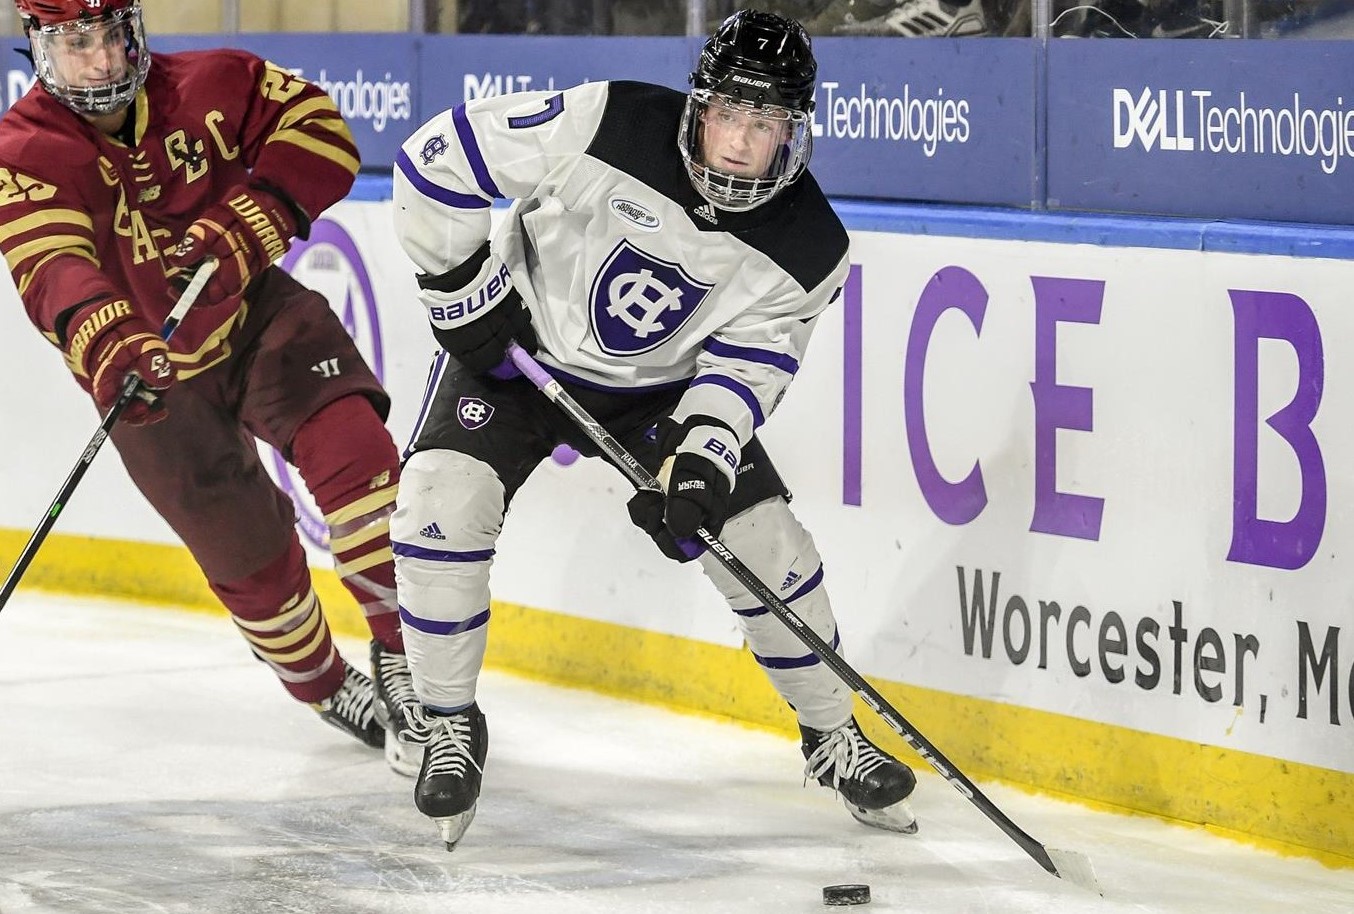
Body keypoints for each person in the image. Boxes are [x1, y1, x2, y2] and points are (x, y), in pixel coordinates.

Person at [390, 8, 918, 850]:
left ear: (795, 131)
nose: (740, 143)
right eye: (727, 114)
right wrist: (459, 289)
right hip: (518, 351)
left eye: (765, 122)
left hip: (659, 397)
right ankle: (448, 722)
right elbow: (439, 156)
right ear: (696, 104)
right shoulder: (610, 119)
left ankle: (832, 735)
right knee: (436, 505)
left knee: (765, 541)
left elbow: (749, 366)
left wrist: (703, 461)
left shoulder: (810, 246)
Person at [0, 0, 421, 772]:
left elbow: (322, 131)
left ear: (137, 31)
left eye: (112, 37)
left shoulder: (215, 82)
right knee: (257, 575)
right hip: (147, 386)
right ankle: (327, 686)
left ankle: (409, 659)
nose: (100, 62)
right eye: (76, 44)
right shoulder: (23, 151)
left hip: (259, 322)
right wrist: (110, 336)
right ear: (38, 50)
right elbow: (53, 269)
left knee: (360, 464)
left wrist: (260, 213)